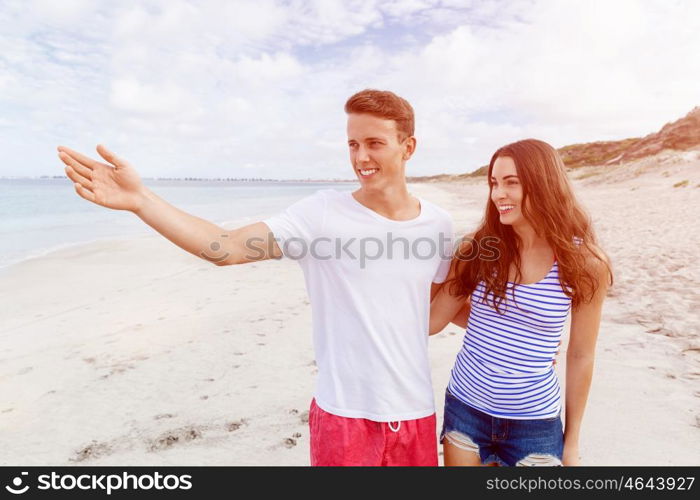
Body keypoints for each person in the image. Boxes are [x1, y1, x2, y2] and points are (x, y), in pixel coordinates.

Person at [58, 89, 454, 466]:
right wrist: (141, 201)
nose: (360, 156)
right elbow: (224, 247)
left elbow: (428, 318)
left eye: (374, 143)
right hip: (344, 414)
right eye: (352, 144)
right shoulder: (321, 215)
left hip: (416, 412)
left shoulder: (438, 224)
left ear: (409, 147)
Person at [429, 139, 612, 466]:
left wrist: (571, 442)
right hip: (466, 408)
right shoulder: (477, 249)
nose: (498, 193)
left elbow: (582, 354)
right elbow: (433, 320)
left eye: (511, 182)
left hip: (535, 423)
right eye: (494, 183)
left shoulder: (584, 264)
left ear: (544, 184)